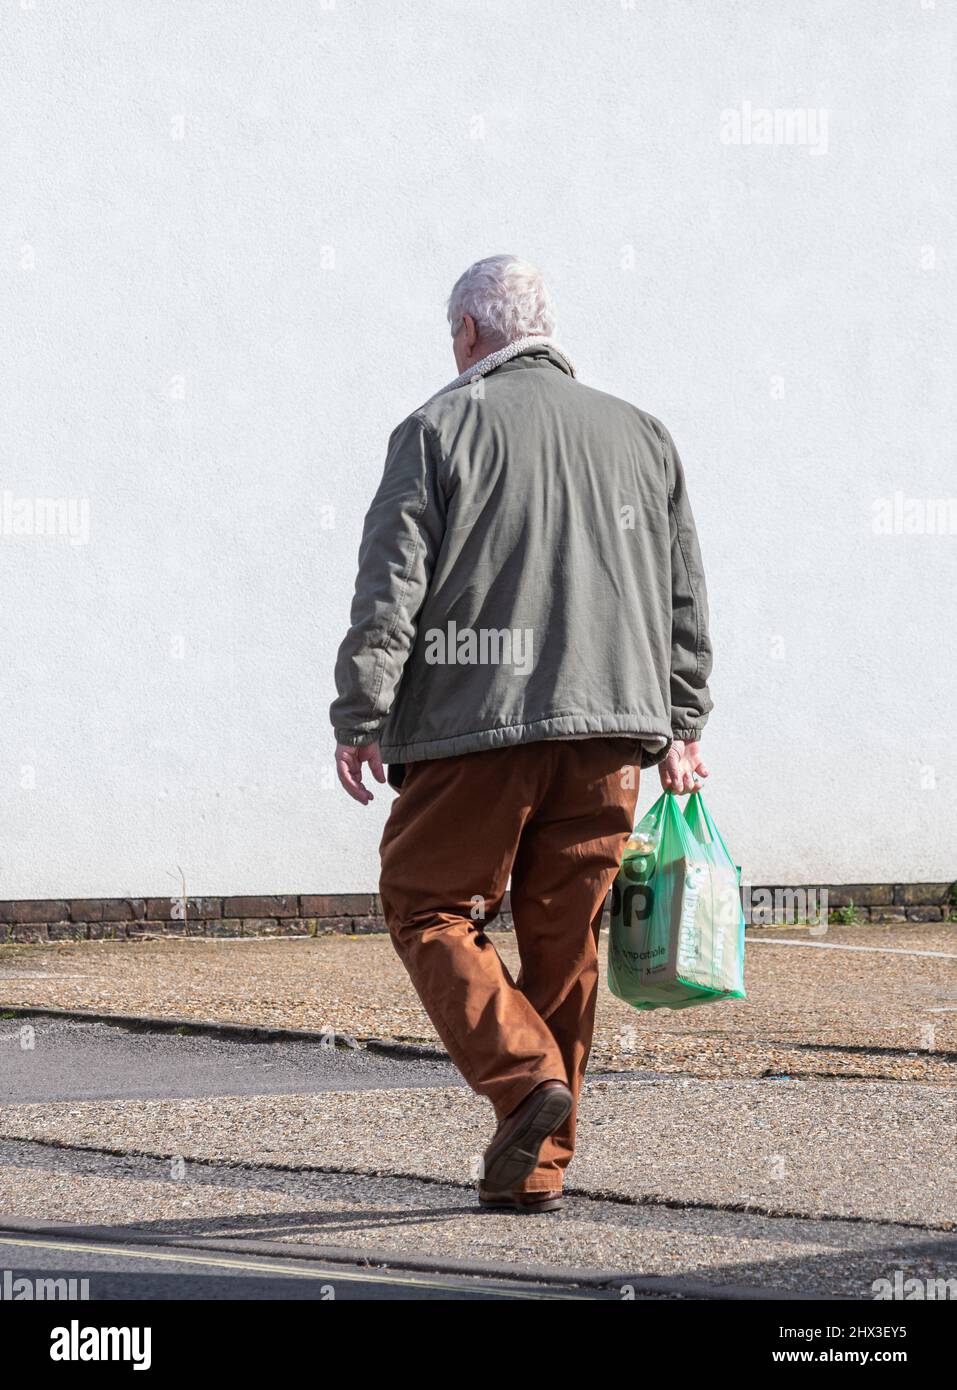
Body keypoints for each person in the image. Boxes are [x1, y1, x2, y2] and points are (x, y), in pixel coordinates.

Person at [330, 254, 712, 1212]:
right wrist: (681, 721)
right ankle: (538, 1163)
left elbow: (392, 588)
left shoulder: (436, 428)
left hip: (474, 725)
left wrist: (361, 710)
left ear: (468, 334)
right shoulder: (640, 433)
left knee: (426, 905)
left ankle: (522, 1076)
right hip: (612, 733)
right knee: (565, 941)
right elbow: (681, 595)